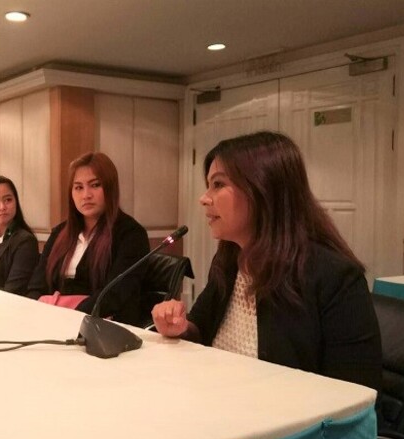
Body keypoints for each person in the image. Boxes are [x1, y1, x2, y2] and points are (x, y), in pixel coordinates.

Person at [151, 131, 381, 390]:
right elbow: (201, 328)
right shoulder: (229, 259)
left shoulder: (334, 276)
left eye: (218, 184)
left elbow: (356, 394)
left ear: (262, 189)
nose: (204, 198)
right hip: (219, 397)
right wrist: (179, 327)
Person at [26, 152, 149, 324]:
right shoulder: (59, 233)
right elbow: (36, 286)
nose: (86, 195)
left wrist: (67, 315)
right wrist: (37, 311)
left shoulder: (131, 234)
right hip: (52, 321)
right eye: (78, 187)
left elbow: (113, 295)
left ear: (110, 187)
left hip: (103, 326)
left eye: (95, 185)